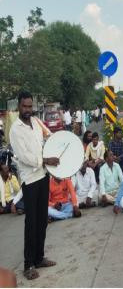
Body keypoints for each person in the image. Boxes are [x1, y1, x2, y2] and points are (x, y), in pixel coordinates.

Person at [10, 91, 60, 280]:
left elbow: (44, 144)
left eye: (30, 106)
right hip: (30, 180)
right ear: (18, 107)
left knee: (42, 219)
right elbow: (25, 157)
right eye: (25, 106)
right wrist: (47, 159)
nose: (28, 109)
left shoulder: (37, 123)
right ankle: (28, 264)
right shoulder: (15, 129)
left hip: (43, 175)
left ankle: (39, 258)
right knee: (31, 222)